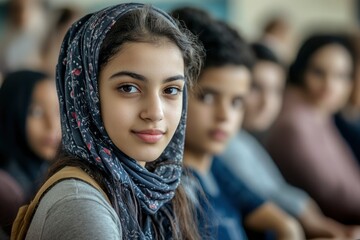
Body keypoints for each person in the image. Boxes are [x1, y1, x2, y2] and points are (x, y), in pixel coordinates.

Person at [25, 3, 203, 239]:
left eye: (171, 90)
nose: (155, 112)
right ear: (86, 94)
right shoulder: (82, 207)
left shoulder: (159, 190)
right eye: (129, 88)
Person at [172, 7, 304, 240]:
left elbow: (279, 220)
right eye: (208, 97)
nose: (225, 116)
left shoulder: (215, 165)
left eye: (237, 102)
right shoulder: (172, 185)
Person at [220, 43, 360, 238]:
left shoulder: (248, 139)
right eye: (255, 87)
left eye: (276, 90)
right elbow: (333, 193)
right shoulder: (229, 141)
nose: (267, 102)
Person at [266, 34, 360, 225]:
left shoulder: (319, 113)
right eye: (318, 72)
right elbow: (337, 196)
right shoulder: (296, 123)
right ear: (301, 71)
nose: (330, 85)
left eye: (341, 76)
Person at [0, 70, 61, 202]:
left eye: (58, 111)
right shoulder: (6, 190)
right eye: (36, 112)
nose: (52, 125)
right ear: (12, 114)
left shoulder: (49, 171)